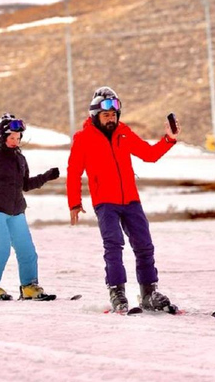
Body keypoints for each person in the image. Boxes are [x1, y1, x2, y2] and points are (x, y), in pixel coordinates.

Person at [66, 86, 180, 312]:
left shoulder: (124, 132)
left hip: (130, 199)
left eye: (114, 114)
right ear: (95, 115)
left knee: (144, 245)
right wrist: (74, 203)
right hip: (105, 202)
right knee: (114, 245)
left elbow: (149, 154)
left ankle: (148, 293)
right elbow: (73, 171)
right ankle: (117, 292)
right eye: (106, 114)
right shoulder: (83, 138)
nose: (111, 119)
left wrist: (169, 139)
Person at [0, 113, 60, 300]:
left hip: (17, 210)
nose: (15, 141)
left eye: (18, 138)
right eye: (11, 138)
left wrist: (46, 176)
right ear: (3, 137)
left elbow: (25, 185)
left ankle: (29, 287)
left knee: (27, 250)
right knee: (1, 249)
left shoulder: (20, 159)